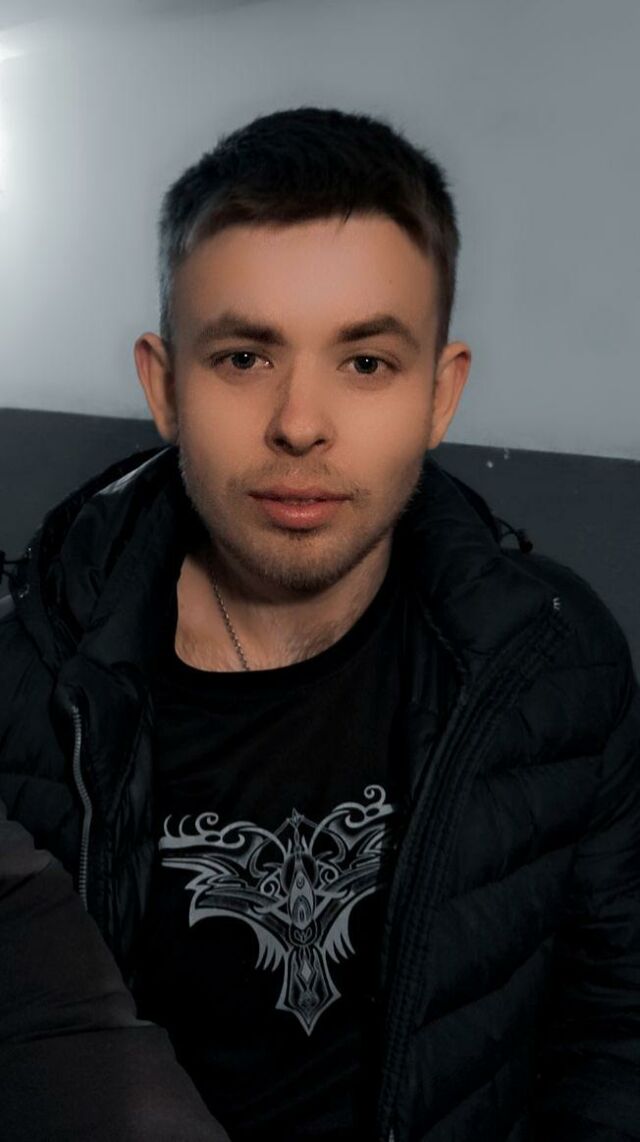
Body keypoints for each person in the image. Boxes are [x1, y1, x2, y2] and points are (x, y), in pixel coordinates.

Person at [0, 106, 638, 1142]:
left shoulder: (558, 661)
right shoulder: (23, 676)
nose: (300, 424)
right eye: (244, 358)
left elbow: (614, 1030)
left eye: (366, 362)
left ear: (440, 395)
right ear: (165, 386)